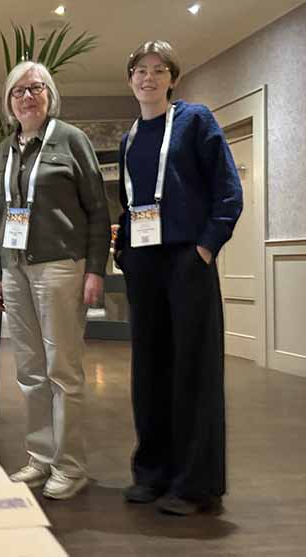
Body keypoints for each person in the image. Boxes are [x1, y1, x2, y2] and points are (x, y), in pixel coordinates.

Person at [115, 40, 242, 515]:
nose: (148, 78)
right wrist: (124, 253)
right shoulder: (129, 138)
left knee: (193, 369)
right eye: (139, 70)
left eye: (158, 70)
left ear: (172, 78)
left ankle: (194, 484)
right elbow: (130, 204)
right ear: (130, 81)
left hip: (188, 261)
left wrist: (206, 247)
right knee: (148, 371)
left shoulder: (196, 121)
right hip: (145, 266)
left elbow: (228, 192)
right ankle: (152, 474)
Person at [0, 61, 109, 500]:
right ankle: (40, 456)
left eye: (35, 88)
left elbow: (97, 210)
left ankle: (70, 465)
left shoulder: (71, 140)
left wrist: (96, 269)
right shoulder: (4, 150)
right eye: (18, 91)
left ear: (49, 95)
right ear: (8, 101)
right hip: (15, 270)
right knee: (30, 372)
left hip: (60, 267)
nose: (27, 97)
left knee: (63, 371)